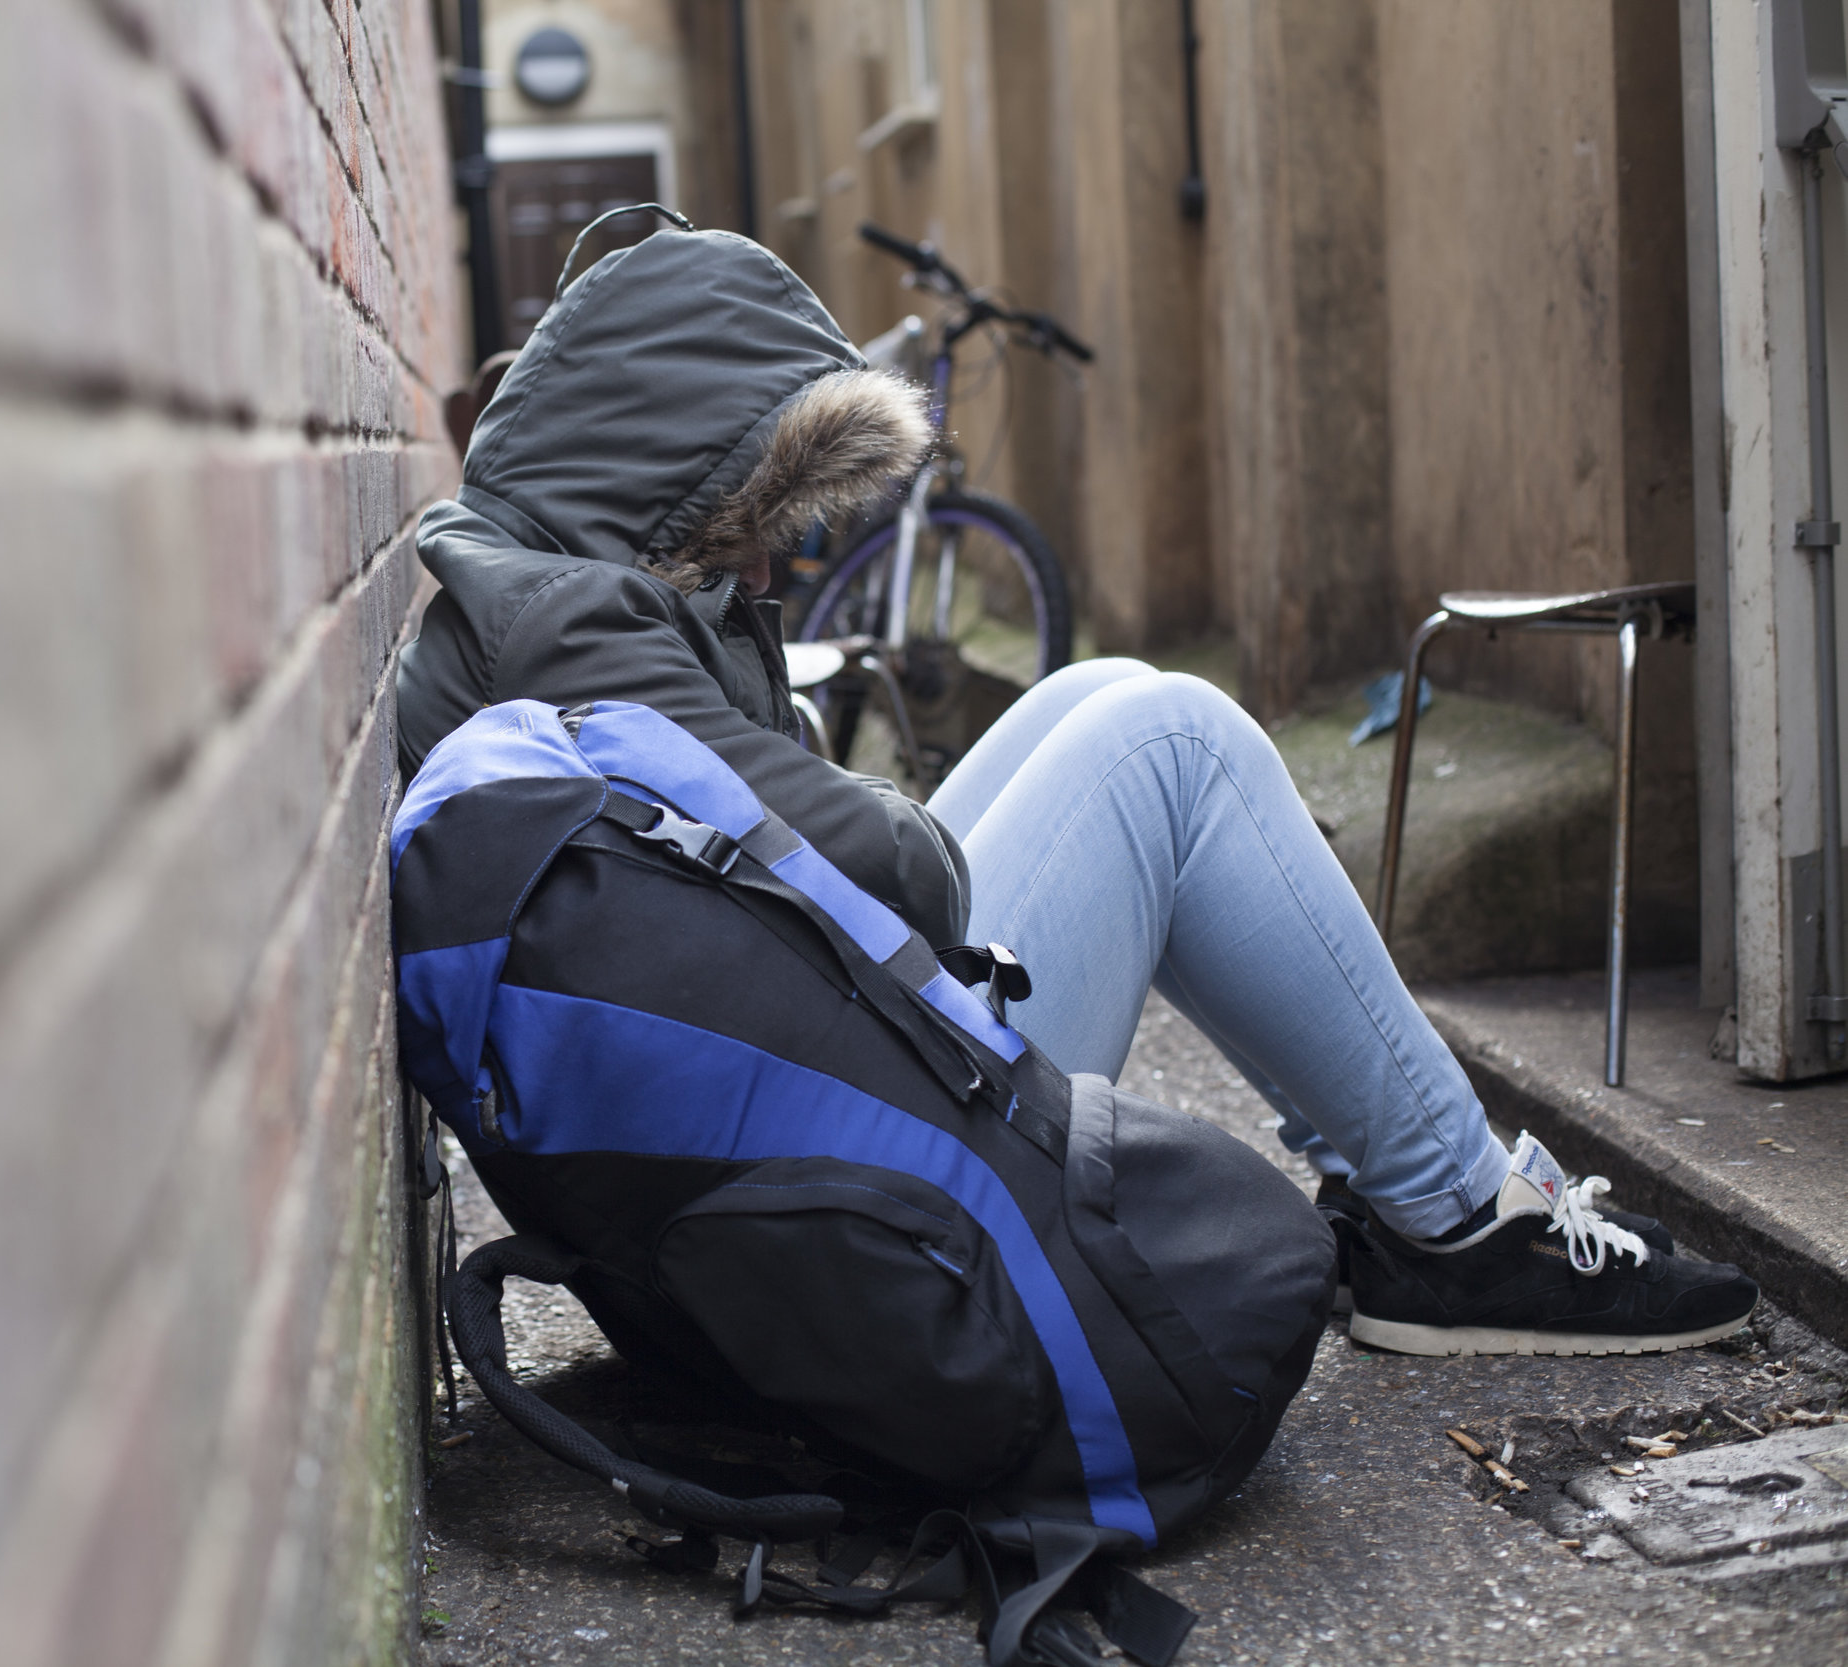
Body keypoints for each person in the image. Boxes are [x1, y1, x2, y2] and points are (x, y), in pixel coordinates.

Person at [397, 226, 1757, 1359]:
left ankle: (1413, 1192)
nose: (767, 576)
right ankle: (1454, 1219)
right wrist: (873, 809)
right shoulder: (577, 629)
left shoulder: (537, 594)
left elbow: (779, 870)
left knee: (1086, 692)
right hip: (847, 1225)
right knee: (1170, 740)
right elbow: (879, 869)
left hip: (774, 1155)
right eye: (750, 529)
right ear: (657, 475)